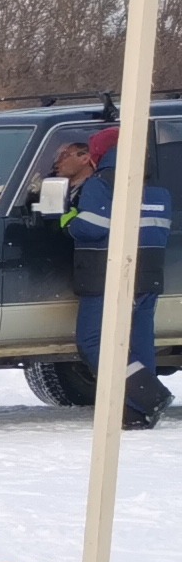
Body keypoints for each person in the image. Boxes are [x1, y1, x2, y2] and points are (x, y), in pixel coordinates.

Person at [54, 119, 172, 427]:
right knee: (140, 339)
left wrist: (68, 219)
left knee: (93, 341)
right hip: (148, 274)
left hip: (107, 275)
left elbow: (92, 228)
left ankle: (150, 395)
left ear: (99, 154)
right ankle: (138, 411)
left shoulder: (101, 184)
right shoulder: (157, 188)